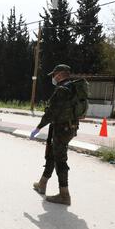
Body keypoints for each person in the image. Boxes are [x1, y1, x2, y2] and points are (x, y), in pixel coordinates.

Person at [30, 64, 81, 206]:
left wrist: (38, 127)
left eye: (54, 74)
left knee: (60, 160)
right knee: (52, 154)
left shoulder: (62, 90)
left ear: (59, 74)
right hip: (70, 127)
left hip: (61, 129)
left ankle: (64, 195)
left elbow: (51, 113)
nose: (53, 77)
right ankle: (42, 183)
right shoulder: (73, 87)